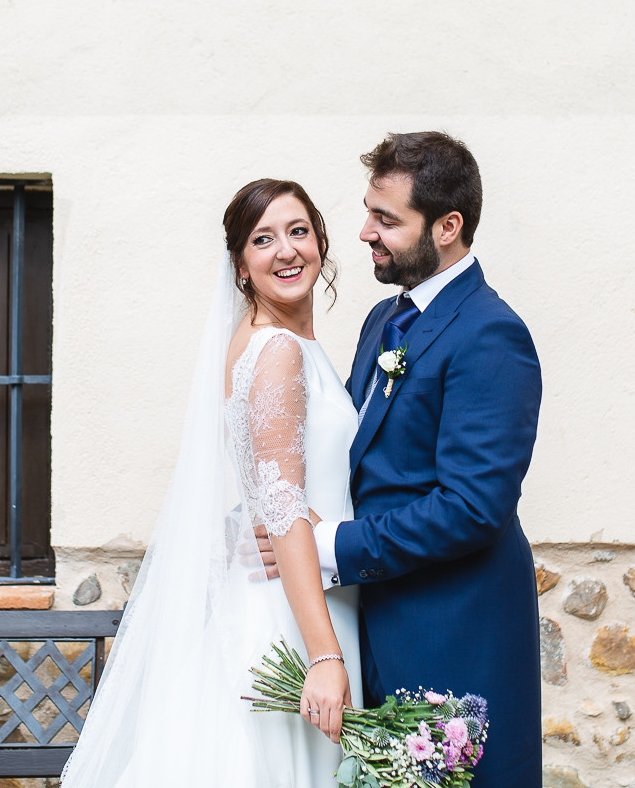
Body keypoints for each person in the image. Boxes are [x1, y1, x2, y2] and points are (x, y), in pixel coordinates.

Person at [261, 132, 545, 788]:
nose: (364, 232)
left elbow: (473, 508)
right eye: (368, 212)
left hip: (454, 634)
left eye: (387, 220)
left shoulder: (492, 335)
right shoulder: (381, 324)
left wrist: (329, 543)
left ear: (448, 227)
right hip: (377, 625)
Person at [60, 179, 361, 788]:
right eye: (263, 239)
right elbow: (282, 508)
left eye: (298, 231)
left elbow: (266, 485)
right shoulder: (276, 349)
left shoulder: (282, 345)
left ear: (321, 242)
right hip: (295, 620)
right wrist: (325, 657)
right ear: (241, 266)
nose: (285, 251)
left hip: (312, 590)